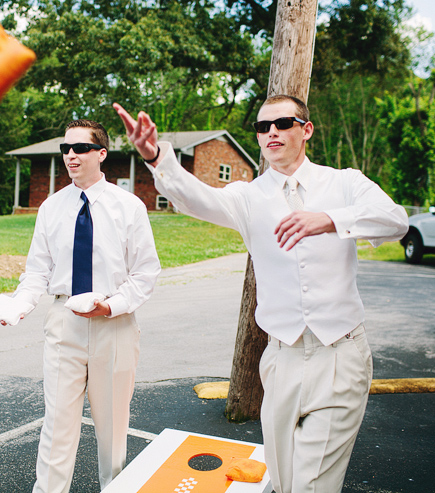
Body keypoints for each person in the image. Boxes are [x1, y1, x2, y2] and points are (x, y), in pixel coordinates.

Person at [114, 96, 408, 493]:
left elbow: (396, 221)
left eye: (283, 123)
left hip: (340, 356)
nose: (271, 131)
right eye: (262, 126)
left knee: (312, 484)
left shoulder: (344, 183)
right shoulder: (248, 197)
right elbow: (196, 198)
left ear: (306, 130)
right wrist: (155, 157)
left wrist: (331, 219)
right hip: (281, 358)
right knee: (284, 480)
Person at [0, 119, 161, 492]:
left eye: (80, 148)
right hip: (63, 323)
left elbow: (146, 273)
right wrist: (19, 306)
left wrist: (111, 307)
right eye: (65, 149)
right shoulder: (51, 208)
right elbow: (37, 271)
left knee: (113, 426)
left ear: (101, 153)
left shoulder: (129, 207)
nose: (70, 155)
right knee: (57, 423)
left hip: (114, 324)